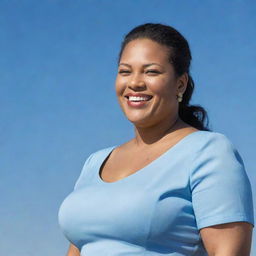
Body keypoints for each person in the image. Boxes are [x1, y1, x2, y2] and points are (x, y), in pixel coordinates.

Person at [58, 23, 254, 256]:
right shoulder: (95, 162)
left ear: (180, 84)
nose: (135, 82)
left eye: (151, 71)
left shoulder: (209, 152)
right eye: (125, 71)